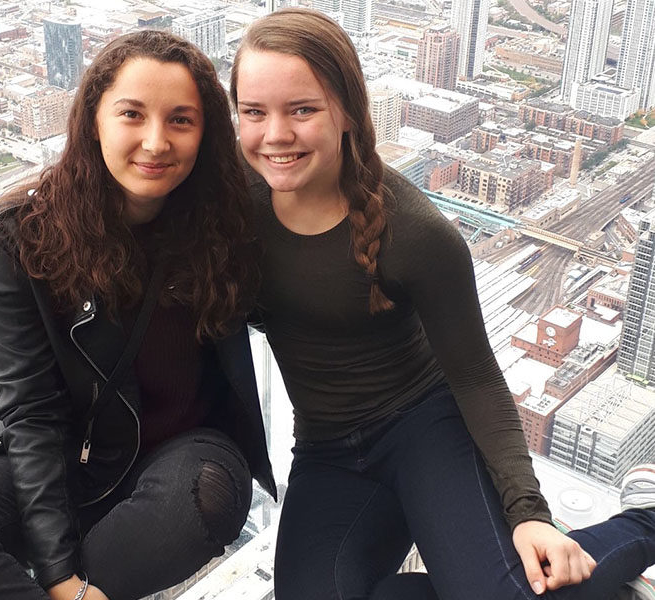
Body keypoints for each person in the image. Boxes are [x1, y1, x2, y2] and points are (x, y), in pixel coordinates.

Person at [230, 8, 655, 600]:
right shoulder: (233, 204)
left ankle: (644, 520)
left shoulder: (417, 232)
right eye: (254, 112)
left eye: (302, 109)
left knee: (508, 591)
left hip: (425, 428)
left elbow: (478, 378)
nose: (275, 133)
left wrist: (528, 511)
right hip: (327, 449)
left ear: (348, 111)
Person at [0, 30, 275, 600]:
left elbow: (320, 197)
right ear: (93, 119)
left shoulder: (228, 221)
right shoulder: (23, 238)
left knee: (208, 495)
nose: (155, 141)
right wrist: (57, 573)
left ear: (206, 134)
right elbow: (31, 409)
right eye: (131, 114)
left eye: (180, 120)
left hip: (186, 450)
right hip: (75, 452)